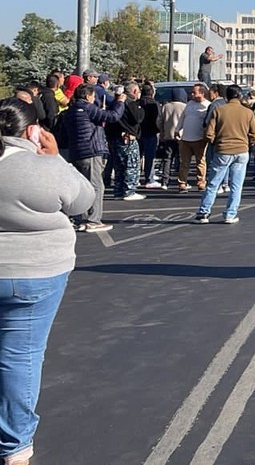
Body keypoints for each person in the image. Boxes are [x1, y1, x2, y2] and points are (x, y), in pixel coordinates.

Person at [0, 98, 95, 465]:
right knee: (19, 356)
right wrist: (56, 158)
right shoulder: (42, 166)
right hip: (36, 272)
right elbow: (82, 200)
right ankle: (15, 443)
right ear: (32, 130)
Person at [59, 84, 125, 233]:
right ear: (88, 96)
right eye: (93, 96)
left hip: (76, 151)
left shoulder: (70, 111)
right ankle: (94, 220)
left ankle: (78, 218)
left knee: (80, 187)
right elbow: (112, 116)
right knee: (96, 186)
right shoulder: (87, 108)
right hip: (91, 150)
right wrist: (120, 102)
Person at [194, 85, 255, 224]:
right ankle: (230, 214)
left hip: (223, 150)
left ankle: (203, 213)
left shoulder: (219, 110)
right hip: (241, 150)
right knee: (236, 185)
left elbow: (209, 133)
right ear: (240, 96)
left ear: (226, 97)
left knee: (213, 183)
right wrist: (247, 142)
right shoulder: (247, 112)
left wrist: (214, 142)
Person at [105, 82, 147, 202]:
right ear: (134, 91)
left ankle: (118, 191)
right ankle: (129, 191)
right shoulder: (131, 103)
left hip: (116, 139)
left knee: (119, 167)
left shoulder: (116, 103)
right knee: (131, 165)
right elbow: (138, 118)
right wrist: (140, 107)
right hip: (128, 139)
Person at [176, 83, 211, 193]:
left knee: (200, 162)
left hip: (199, 139)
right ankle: (182, 183)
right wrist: (177, 129)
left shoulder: (207, 106)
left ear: (202, 93)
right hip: (185, 138)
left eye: (194, 92)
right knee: (184, 163)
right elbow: (183, 117)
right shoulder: (189, 104)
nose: (191, 94)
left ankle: (201, 182)